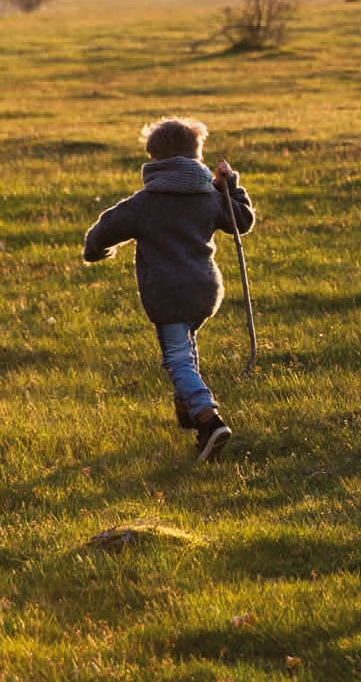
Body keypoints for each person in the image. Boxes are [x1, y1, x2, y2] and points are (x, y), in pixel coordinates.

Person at [83, 117, 255, 462]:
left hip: (168, 294)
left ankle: (209, 419)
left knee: (177, 358)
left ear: (153, 159)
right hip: (205, 292)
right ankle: (187, 408)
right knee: (184, 350)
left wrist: (95, 251)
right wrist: (231, 186)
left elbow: (104, 229)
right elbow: (243, 220)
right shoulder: (209, 197)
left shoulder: (145, 203)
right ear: (197, 158)